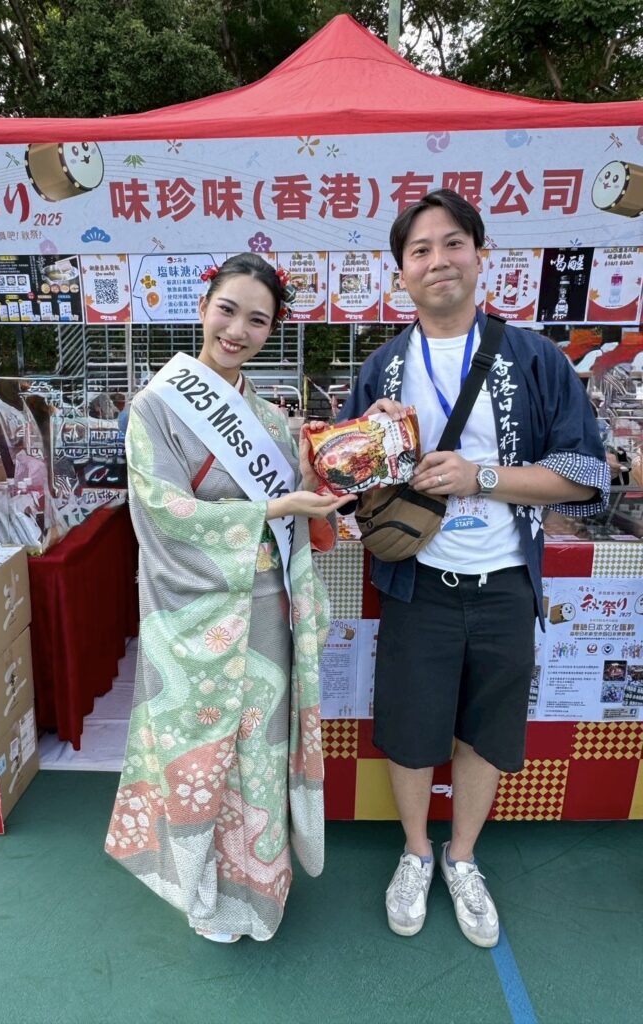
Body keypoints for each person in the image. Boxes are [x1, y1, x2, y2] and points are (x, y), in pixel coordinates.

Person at [339, 189, 609, 948]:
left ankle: (462, 857)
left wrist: (479, 476)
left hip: (505, 582)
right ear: (401, 272)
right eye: (419, 250)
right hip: (415, 583)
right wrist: (363, 451)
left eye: (452, 243)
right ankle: (416, 853)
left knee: (487, 732)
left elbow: (585, 474)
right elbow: (347, 491)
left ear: (481, 256)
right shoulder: (384, 368)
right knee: (409, 728)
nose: (438, 261)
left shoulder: (536, 358)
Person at [105, 253, 348, 943]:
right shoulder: (156, 406)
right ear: (203, 307)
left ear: (273, 330)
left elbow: (300, 511)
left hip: (267, 612)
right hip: (194, 613)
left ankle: (260, 890)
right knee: (198, 753)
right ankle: (205, 892)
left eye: (258, 320)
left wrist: (319, 489)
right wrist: (271, 509)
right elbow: (162, 512)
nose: (238, 330)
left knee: (259, 750)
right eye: (228, 310)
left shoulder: (269, 417)